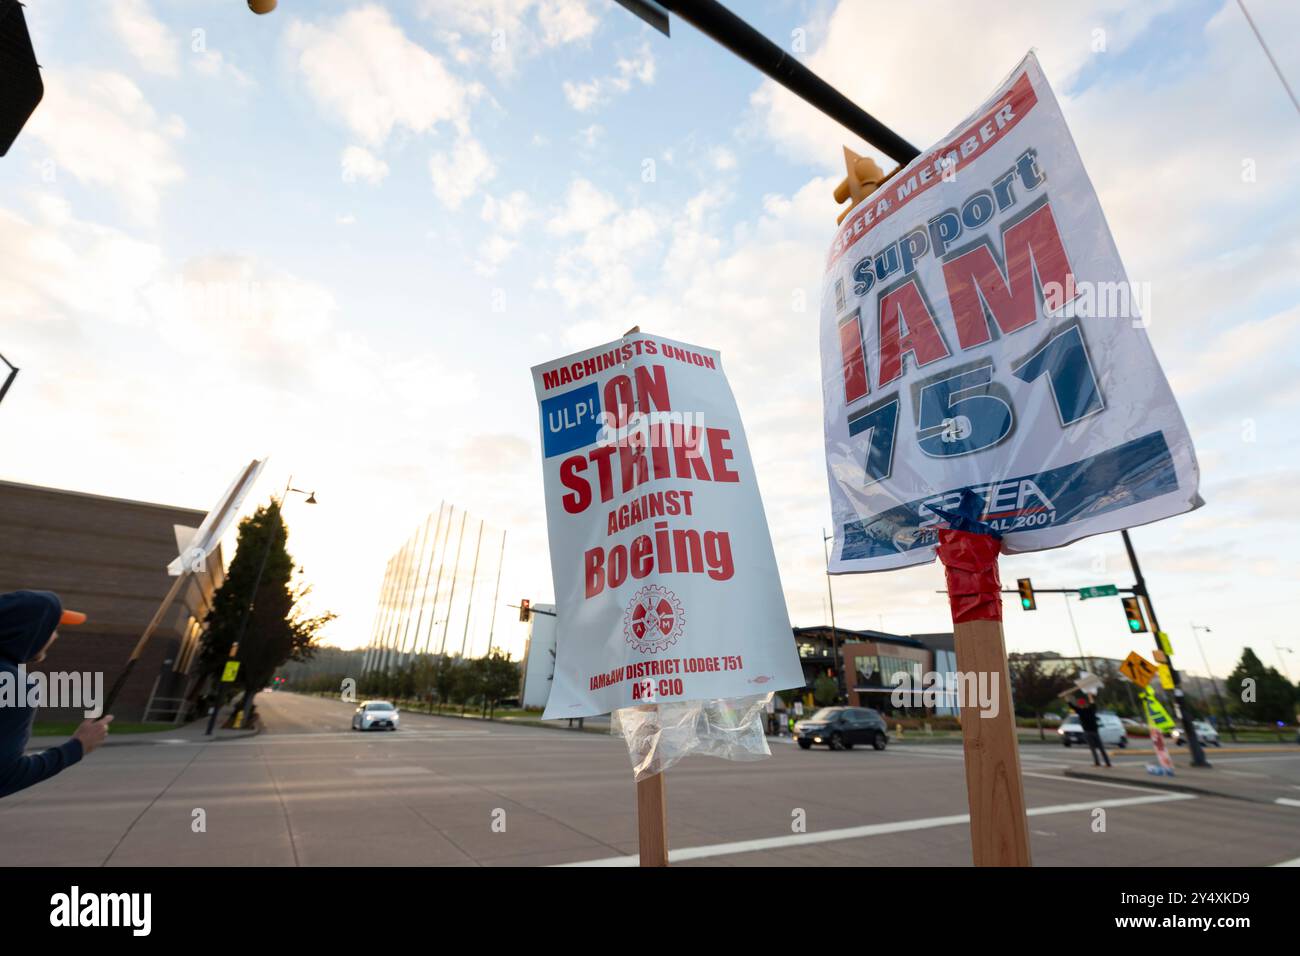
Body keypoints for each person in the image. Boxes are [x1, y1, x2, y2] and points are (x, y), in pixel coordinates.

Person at [0, 590, 113, 798]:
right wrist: (77, 747)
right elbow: (5, 776)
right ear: (31, 632)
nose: (56, 636)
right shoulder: (15, 685)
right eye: (52, 628)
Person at [1070, 692, 1111, 768]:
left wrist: (1067, 699)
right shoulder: (1091, 710)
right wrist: (1090, 696)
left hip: (1087, 732)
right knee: (1101, 748)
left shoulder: (1080, 711)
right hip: (1095, 732)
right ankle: (1108, 763)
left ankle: (1097, 762)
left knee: (1093, 749)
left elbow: (1072, 706)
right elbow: (1093, 703)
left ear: (1079, 705)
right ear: (1085, 704)